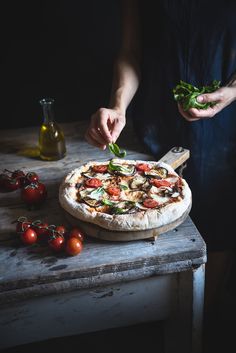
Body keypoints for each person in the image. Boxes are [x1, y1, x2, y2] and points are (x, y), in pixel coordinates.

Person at [85, 0, 236, 320]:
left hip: (226, 124)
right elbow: (131, 52)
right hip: (154, 118)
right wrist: (117, 106)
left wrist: (233, 91)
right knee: (142, 216)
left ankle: (201, 324)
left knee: (217, 224)